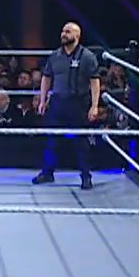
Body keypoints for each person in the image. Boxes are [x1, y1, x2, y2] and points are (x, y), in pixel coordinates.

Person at [32, 21, 101, 189]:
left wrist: (94, 105)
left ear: (77, 35)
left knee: (81, 141)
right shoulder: (55, 56)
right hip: (58, 102)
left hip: (78, 102)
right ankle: (47, 173)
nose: (64, 34)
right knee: (52, 140)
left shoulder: (87, 56)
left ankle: (86, 176)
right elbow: (46, 77)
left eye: (68, 31)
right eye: (63, 31)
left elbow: (94, 82)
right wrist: (43, 100)